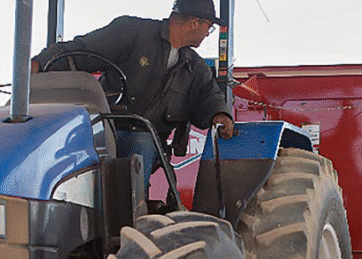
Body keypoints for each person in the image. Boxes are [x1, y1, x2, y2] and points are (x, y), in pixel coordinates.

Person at [30, 0, 235, 186]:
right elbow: (83, 49)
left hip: (145, 138)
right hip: (104, 127)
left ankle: (130, 214)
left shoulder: (194, 68)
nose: (208, 34)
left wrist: (220, 114)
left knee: (142, 141)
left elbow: (208, 97)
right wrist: (41, 62)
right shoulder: (131, 32)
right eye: (209, 28)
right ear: (195, 23)